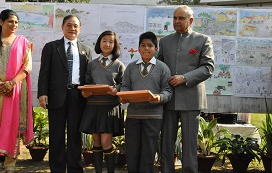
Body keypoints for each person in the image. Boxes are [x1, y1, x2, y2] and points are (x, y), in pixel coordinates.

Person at [157, 5, 215, 173]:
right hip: (169, 99)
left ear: (190, 20)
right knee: (166, 142)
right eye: (174, 18)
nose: (177, 21)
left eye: (181, 18)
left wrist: (184, 78)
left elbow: (208, 67)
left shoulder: (203, 40)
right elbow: (159, 67)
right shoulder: (165, 41)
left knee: (189, 144)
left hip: (191, 99)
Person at [37, 15, 92, 172]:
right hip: (56, 97)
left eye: (75, 26)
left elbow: (88, 76)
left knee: (75, 135)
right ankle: (57, 168)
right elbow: (44, 73)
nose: (72, 28)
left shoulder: (85, 50)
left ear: (79, 29)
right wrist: (42, 93)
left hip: (78, 97)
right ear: (62, 27)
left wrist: (89, 92)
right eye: (69, 25)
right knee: (56, 135)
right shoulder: (51, 47)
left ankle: (75, 168)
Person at [0, 9, 33, 173]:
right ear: (1, 22)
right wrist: (0, 84)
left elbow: (27, 67)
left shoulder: (23, 42)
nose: (14, 25)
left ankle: (10, 163)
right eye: (10, 21)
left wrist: (11, 83)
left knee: (13, 127)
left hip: (15, 90)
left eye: (16, 22)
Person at [120, 31, 173, 172]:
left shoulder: (163, 68)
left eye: (150, 45)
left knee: (148, 152)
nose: (146, 49)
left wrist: (159, 98)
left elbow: (168, 91)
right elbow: (125, 86)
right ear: (138, 48)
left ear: (156, 49)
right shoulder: (131, 67)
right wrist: (123, 95)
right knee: (132, 151)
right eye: (143, 45)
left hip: (153, 117)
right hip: (133, 116)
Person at [79, 30, 125, 173]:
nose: (107, 44)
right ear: (99, 43)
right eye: (104, 41)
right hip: (93, 106)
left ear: (115, 45)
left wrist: (115, 90)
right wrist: (85, 92)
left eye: (111, 42)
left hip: (109, 107)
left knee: (106, 141)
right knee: (97, 141)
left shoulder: (119, 65)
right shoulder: (92, 64)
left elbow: (124, 85)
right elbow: (86, 83)